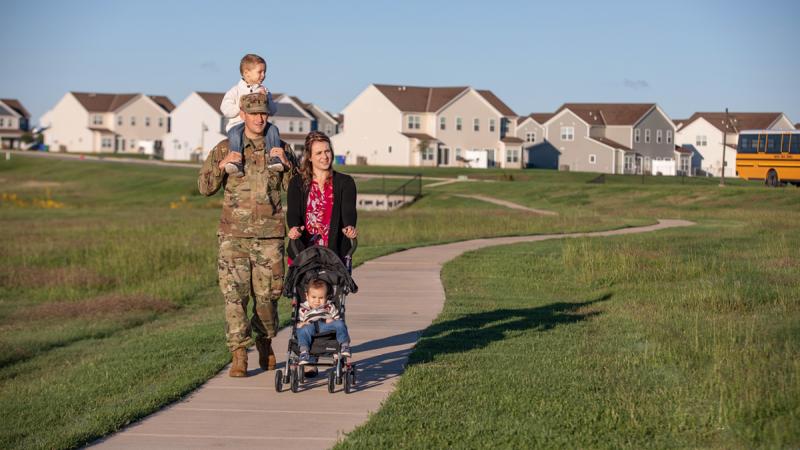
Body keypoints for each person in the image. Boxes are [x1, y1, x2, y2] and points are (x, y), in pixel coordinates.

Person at [198, 92, 296, 377]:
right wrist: (221, 165)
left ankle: (264, 341)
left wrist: (286, 164)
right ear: (242, 114)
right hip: (233, 237)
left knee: (268, 298)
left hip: (270, 237)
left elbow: (296, 188)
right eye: (253, 113)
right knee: (235, 297)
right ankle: (238, 353)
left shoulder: (281, 147)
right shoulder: (226, 147)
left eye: (263, 113)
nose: (259, 118)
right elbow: (204, 187)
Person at [287, 131, 358, 266]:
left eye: (327, 151)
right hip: (302, 253)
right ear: (309, 157)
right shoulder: (297, 182)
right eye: (319, 153)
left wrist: (349, 227)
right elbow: (293, 212)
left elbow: (349, 211)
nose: (325, 157)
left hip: (335, 254)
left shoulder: (345, 182)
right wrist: (294, 228)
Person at [220, 53, 283, 177]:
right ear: (246, 73)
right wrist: (240, 107)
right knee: (234, 133)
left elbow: (273, 110)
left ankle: (275, 158)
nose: (263, 75)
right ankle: (236, 161)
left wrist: (266, 99)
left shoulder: (264, 90)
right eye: (260, 72)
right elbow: (225, 108)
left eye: (264, 72)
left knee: (273, 129)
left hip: (258, 126)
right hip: (238, 124)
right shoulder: (235, 91)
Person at [296, 279, 351, 364]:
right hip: (310, 327)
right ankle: (304, 351)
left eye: (321, 298)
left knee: (340, 324)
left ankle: (344, 345)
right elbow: (299, 322)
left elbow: (337, 318)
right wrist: (302, 324)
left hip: (326, 326)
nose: (317, 301)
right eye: (313, 297)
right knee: (302, 330)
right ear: (307, 296)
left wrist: (333, 320)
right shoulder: (304, 309)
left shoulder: (329, 306)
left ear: (326, 297)